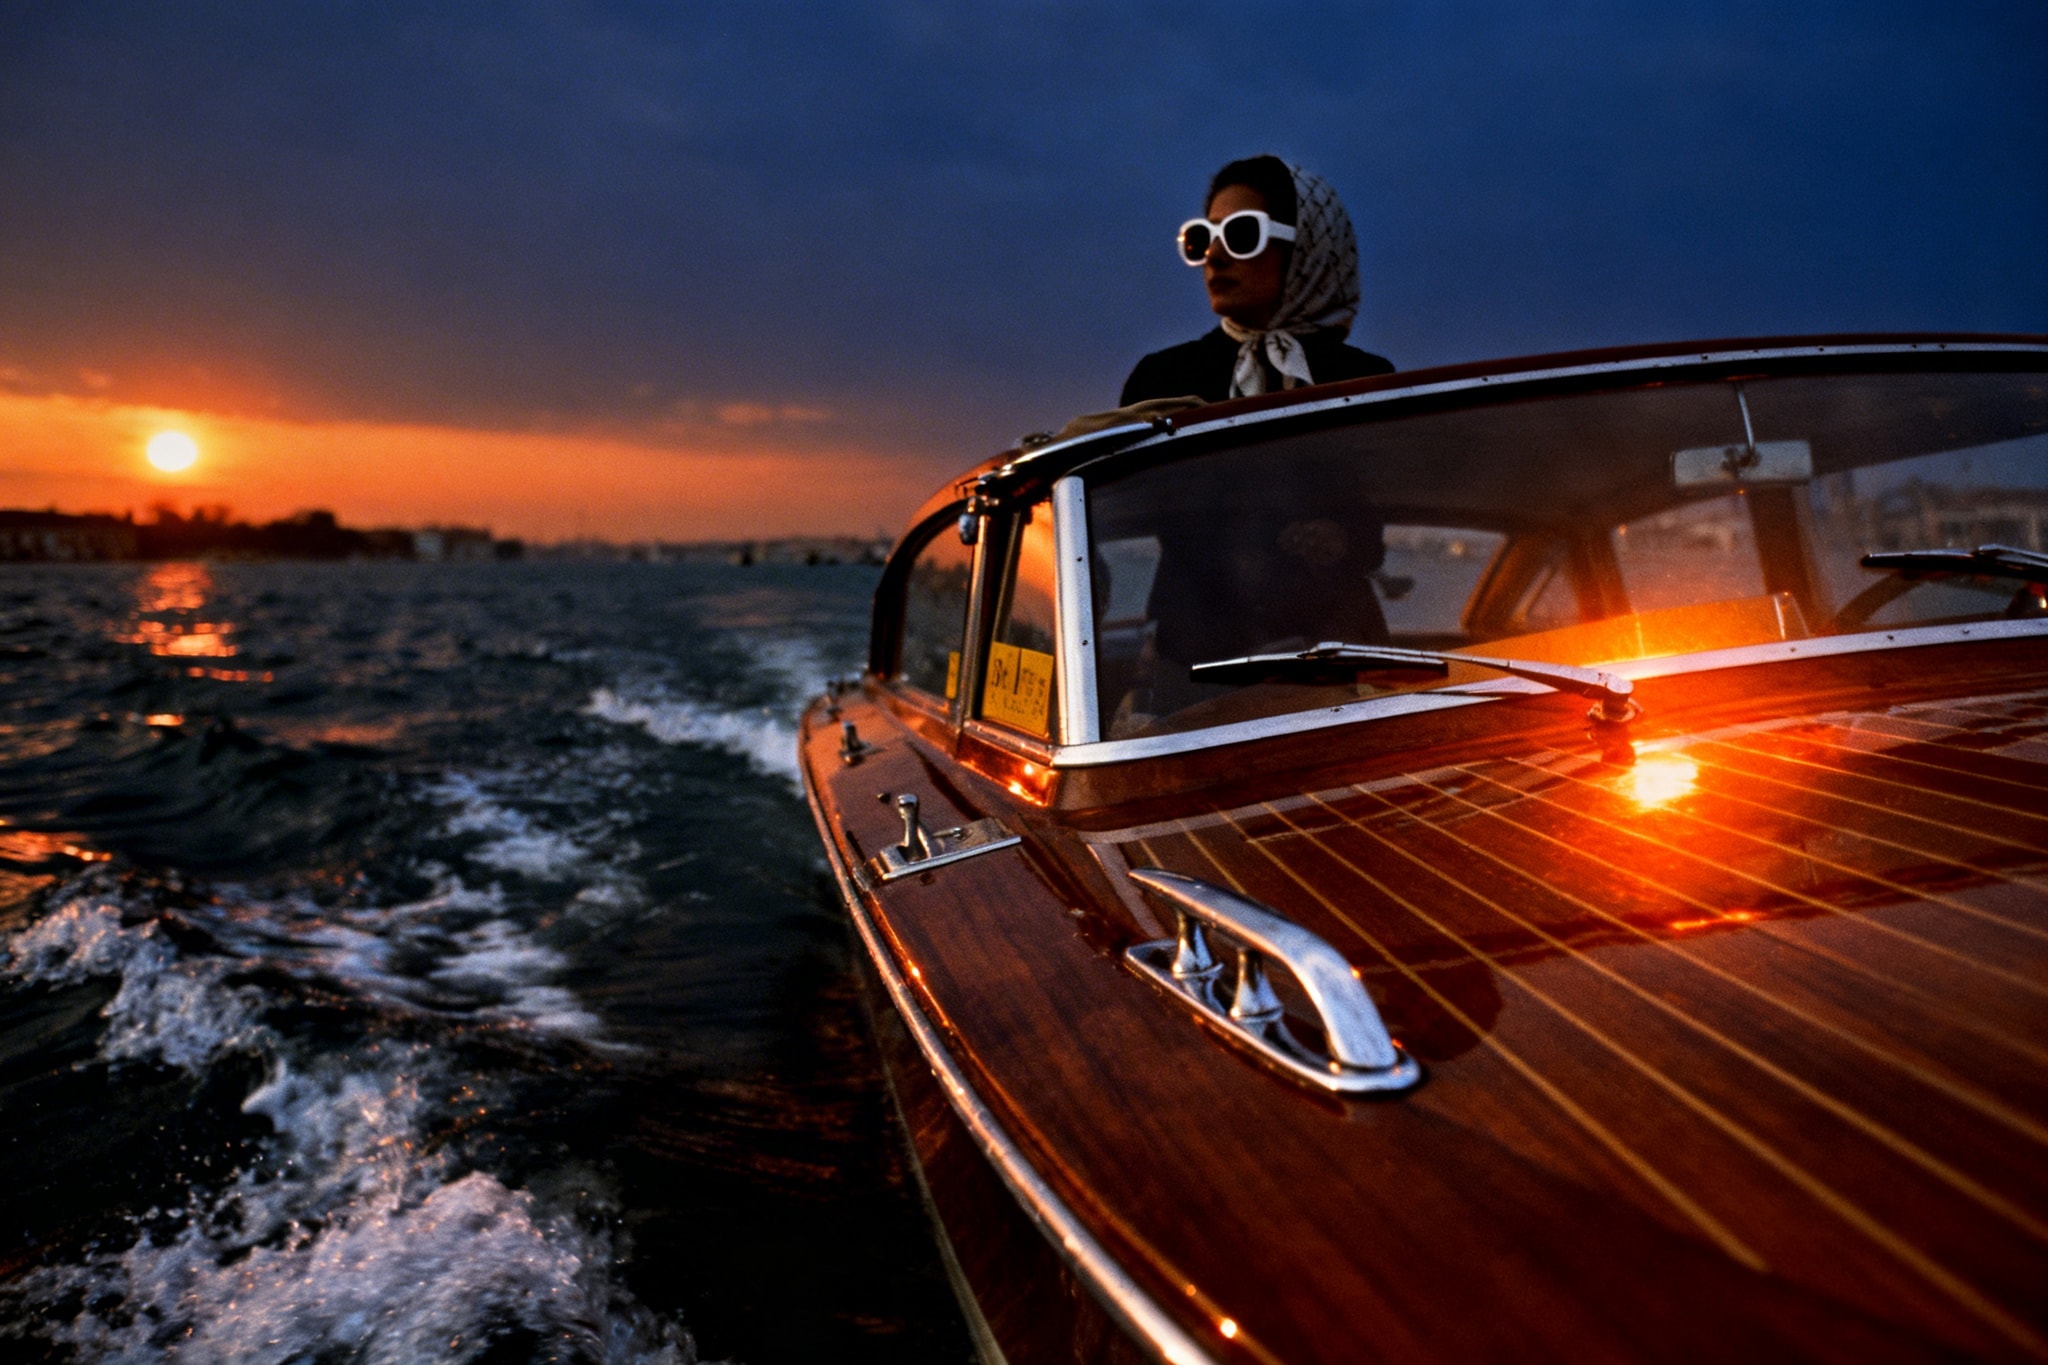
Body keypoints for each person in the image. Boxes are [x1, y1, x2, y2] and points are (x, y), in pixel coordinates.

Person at [1120, 156, 1392, 406]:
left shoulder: (1367, 383)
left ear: (1308, 250)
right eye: (1201, 237)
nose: (1213, 255)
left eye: (1242, 234)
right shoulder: (1161, 382)